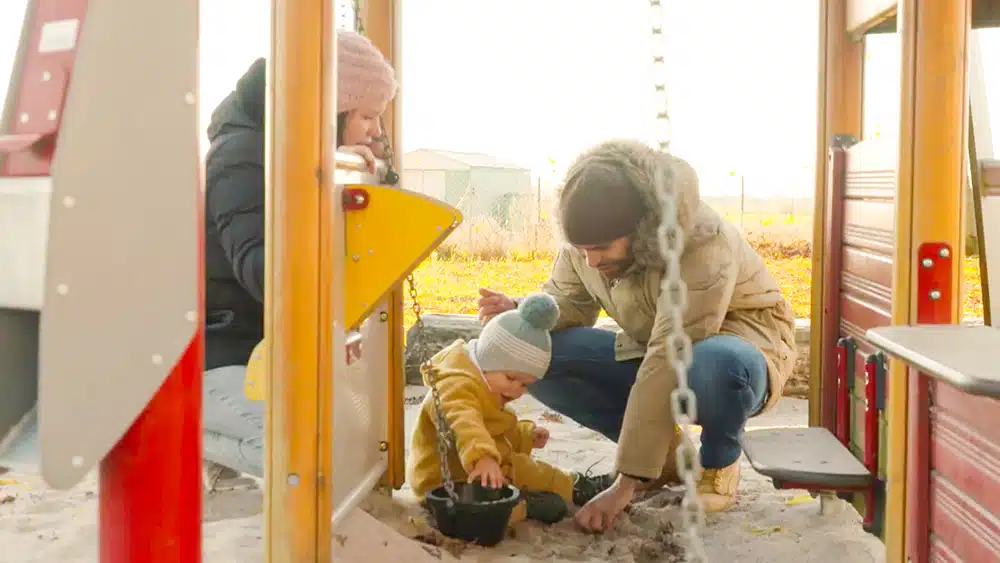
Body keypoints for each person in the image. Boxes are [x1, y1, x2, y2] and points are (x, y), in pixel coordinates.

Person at [477, 139, 797, 532]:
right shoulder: (587, 248)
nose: (590, 260)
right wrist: (520, 311)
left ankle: (717, 465)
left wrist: (624, 486)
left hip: (741, 351)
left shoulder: (702, 242)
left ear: (642, 229)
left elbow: (669, 355)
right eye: (581, 250)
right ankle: (663, 460)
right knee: (539, 356)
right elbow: (569, 303)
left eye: (600, 248)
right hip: (655, 350)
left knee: (714, 365)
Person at [201, 30, 397, 484]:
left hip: (260, 350)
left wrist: (349, 169)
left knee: (333, 446)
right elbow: (263, 272)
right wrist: (325, 181)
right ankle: (181, 425)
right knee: (303, 458)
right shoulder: (241, 157)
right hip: (223, 350)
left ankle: (215, 469)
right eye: (369, 116)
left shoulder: (294, 151)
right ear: (333, 105)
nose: (376, 131)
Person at [407, 293, 615, 524]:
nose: (517, 390)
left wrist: (524, 436)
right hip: (443, 484)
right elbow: (464, 423)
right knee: (506, 493)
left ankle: (572, 487)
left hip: (479, 471)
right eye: (511, 378)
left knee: (525, 468)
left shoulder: (488, 382)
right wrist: (482, 458)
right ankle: (534, 502)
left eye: (525, 385)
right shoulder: (456, 384)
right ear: (488, 360)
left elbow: (495, 431)